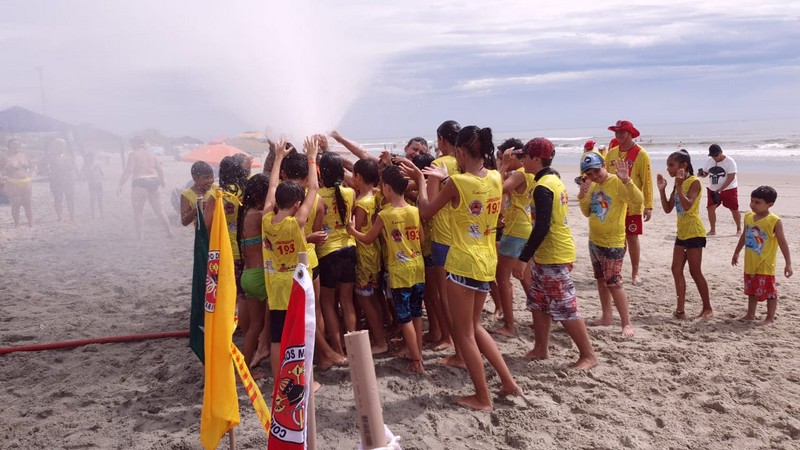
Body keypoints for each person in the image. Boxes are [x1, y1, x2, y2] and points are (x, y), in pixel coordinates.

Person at [402, 125, 521, 411]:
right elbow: (480, 194)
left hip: (463, 263)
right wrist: (444, 178)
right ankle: (508, 382)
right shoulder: (495, 176)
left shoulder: (457, 182)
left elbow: (426, 211)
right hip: (486, 260)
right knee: (475, 327)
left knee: (464, 332)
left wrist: (422, 181)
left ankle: (482, 397)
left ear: (460, 151)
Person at [511, 138, 597, 369]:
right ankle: (541, 348)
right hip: (547, 253)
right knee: (538, 302)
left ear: (536, 158)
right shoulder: (551, 179)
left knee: (564, 306)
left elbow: (542, 226)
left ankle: (588, 355)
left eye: (525, 156)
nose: (522, 160)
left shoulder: (544, 186)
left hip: (554, 253)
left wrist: (523, 258)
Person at [348, 165, 425, 373]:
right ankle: (417, 352)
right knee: (417, 312)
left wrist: (352, 230)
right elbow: (421, 237)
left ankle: (416, 361)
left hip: (399, 270)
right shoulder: (414, 210)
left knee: (404, 316)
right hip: (417, 266)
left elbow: (367, 238)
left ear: (387, 187)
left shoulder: (385, 214)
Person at [276, 149, 346, 370]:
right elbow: (316, 233)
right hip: (311, 259)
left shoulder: (281, 201)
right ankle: (321, 356)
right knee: (315, 310)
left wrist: (277, 157)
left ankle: (318, 354)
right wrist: (312, 157)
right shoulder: (315, 199)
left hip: (288, 263)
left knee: (295, 314)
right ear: (308, 175)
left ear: (284, 174)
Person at [261, 137, 320, 381]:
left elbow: (272, 188)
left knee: (277, 336)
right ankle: (305, 381)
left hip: (275, 285)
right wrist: (312, 158)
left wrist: (278, 158)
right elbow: (314, 188)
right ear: (297, 204)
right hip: (296, 285)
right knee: (301, 335)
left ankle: (279, 380)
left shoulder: (266, 219)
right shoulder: (297, 223)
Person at [578, 151, 641, 337]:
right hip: (594, 240)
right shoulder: (593, 185)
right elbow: (587, 211)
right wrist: (582, 193)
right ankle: (607, 316)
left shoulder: (616, 182)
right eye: (589, 174)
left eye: (596, 171)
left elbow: (638, 200)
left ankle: (626, 323)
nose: (594, 176)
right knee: (601, 280)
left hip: (613, 242)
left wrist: (627, 180)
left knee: (614, 283)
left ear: (603, 166)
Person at [656, 150, 713, 320]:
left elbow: (688, 206)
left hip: (694, 232)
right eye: (667, 165)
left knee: (695, 272)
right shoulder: (677, 183)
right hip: (682, 233)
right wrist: (662, 190)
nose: (668, 169)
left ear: (683, 165)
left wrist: (679, 186)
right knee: (676, 270)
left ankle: (707, 308)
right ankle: (680, 310)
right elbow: (668, 208)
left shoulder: (694, 182)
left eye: (671, 165)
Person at [491, 147, 536, 337]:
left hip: (516, 229)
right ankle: (538, 317)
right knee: (526, 277)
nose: (500, 159)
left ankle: (509, 325)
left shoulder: (520, 173)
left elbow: (498, 189)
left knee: (502, 277)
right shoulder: (531, 173)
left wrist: (503, 166)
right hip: (525, 225)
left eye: (502, 156)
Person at [732, 186, 793, 325]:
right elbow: (744, 236)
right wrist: (736, 252)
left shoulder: (774, 220)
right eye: (752, 201)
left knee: (769, 291)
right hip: (750, 261)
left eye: (757, 202)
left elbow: (782, 242)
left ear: (770, 204)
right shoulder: (748, 217)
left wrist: (788, 263)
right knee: (751, 289)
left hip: (765, 263)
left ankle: (770, 317)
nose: (753, 205)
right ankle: (750, 314)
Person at [426, 120, 461, 360]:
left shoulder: (438, 165)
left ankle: (449, 338)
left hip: (442, 236)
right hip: (463, 236)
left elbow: (429, 206)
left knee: (443, 295)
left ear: (441, 140)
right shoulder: (467, 163)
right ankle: (456, 340)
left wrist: (419, 183)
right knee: (461, 296)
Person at [316, 152, 358, 355]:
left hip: (328, 253)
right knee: (347, 302)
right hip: (349, 248)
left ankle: (338, 349)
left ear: (321, 173)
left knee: (327, 304)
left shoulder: (317, 196)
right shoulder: (350, 193)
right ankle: (354, 346)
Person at [605, 120, 653, 285]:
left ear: (630, 133)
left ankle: (635, 273)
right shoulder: (611, 154)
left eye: (622, 132)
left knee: (632, 237)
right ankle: (616, 270)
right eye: (617, 132)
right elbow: (605, 178)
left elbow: (647, 181)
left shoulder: (641, 154)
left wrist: (648, 205)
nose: (619, 135)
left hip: (633, 204)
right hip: (614, 204)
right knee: (617, 238)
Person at [350, 158, 389, 354]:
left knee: (365, 299)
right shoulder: (375, 197)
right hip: (374, 252)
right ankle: (379, 335)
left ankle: (380, 342)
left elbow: (356, 229)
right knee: (373, 296)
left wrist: (348, 227)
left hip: (364, 255)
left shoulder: (362, 203)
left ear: (358, 177)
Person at [236, 173, 270, 372]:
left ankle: (244, 369)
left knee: (254, 327)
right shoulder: (260, 216)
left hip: (248, 275)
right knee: (270, 319)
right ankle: (264, 349)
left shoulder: (245, 215)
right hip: (260, 276)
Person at [118, 136, 174, 239]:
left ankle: (140, 237)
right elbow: (159, 169)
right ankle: (169, 232)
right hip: (154, 181)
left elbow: (128, 170)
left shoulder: (133, 154)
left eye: (131, 143)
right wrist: (162, 181)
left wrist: (120, 184)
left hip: (140, 182)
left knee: (138, 212)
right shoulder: (151, 154)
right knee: (159, 210)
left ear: (135, 144)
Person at [697, 144, 741, 235]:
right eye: (712, 156)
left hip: (729, 189)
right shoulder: (710, 161)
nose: (714, 157)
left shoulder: (729, 161)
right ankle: (713, 230)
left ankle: (739, 229)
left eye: (716, 155)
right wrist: (701, 174)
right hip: (713, 189)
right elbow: (706, 173)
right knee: (710, 208)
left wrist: (722, 188)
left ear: (721, 152)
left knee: (734, 208)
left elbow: (731, 177)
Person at [2, 138, 34, 227]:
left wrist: (31, 174)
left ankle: (30, 223)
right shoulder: (5, 157)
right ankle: (17, 224)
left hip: (26, 181)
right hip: (13, 182)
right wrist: (4, 178)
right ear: (8, 146)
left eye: (17, 144)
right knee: (16, 204)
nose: (16, 146)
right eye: (13, 144)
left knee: (28, 203)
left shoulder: (24, 155)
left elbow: (32, 166)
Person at [46, 138, 78, 222]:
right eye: (58, 145)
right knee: (58, 199)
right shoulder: (51, 156)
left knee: (70, 199)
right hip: (57, 181)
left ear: (65, 146)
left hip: (69, 180)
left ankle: (72, 216)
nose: (60, 147)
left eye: (62, 145)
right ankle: (59, 216)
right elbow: (47, 168)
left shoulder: (70, 155)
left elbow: (73, 166)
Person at [179, 161, 214, 226]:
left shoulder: (215, 188)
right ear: (195, 178)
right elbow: (184, 222)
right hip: (202, 231)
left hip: (217, 229)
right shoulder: (186, 195)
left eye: (211, 177)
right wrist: (197, 208)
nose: (210, 181)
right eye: (206, 178)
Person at [83, 152, 105, 219]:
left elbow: (102, 173)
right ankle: (93, 215)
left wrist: (101, 173)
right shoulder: (86, 165)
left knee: (100, 200)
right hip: (92, 184)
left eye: (93, 157)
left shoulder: (97, 164)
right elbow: (87, 175)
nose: (92, 158)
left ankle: (101, 214)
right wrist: (93, 170)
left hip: (98, 183)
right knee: (92, 200)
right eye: (90, 157)